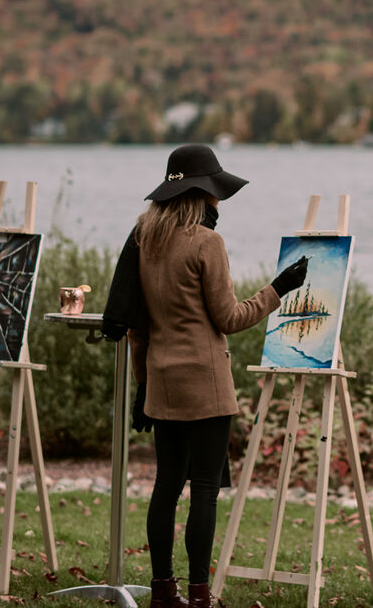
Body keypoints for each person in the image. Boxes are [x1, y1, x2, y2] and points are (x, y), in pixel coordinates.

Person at [101, 145, 307, 608]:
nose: (219, 205)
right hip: (206, 384)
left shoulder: (144, 239)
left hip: (162, 381)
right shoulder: (205, 243)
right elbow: (230, 318)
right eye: (215, 195)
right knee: (205, 492)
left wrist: (142, 385)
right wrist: (280, 287)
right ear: (201, 195)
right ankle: (198, 596)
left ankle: (162, 593)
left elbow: (137, 327)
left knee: (166, 487)